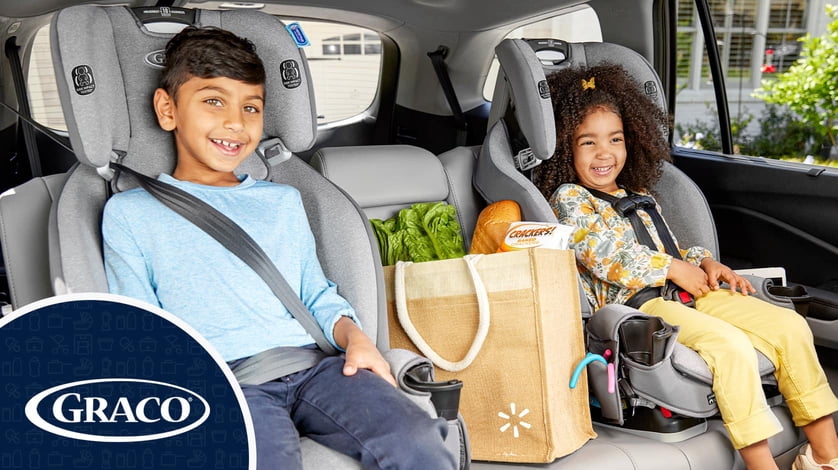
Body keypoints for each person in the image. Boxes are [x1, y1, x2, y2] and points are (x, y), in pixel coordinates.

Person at [101, 26, 455, 470]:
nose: (236, 122)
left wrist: (357, 339)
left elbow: (315, 292)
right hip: (225, 383)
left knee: (420, 439)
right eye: (213, 101)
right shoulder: (130, 212)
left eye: (251, 107)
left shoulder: (282, 201)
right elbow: (141, 327)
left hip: (316, 368)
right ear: (167, 109)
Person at [533, 63, 838, 470]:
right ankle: (760, 464)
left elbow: (668, 246)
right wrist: (673, 270)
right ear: (566, 149)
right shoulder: (570, 199)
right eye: (588, 143)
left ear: (631, 140)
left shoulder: (638, 194)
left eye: (615, 139)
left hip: (687, 291)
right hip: (640, 307)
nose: (605, 153)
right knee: (728, 347)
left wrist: (704, 261)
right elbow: (603, 256)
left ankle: (825, 454)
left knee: (791, 326)